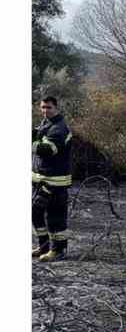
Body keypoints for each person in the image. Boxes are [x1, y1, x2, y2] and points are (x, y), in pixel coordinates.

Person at [32, 94, 73, 262]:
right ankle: (44, 246)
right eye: (43, 107)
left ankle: (59, 250)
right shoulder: (46, 124)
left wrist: (30, 142)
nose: (45, 110)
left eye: (48, 107)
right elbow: (38, 134)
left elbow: (48, 150)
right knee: (35, 212)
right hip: (42, 180)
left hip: (55, 182)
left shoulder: (60, 128)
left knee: (55, 217)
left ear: (56, 108)